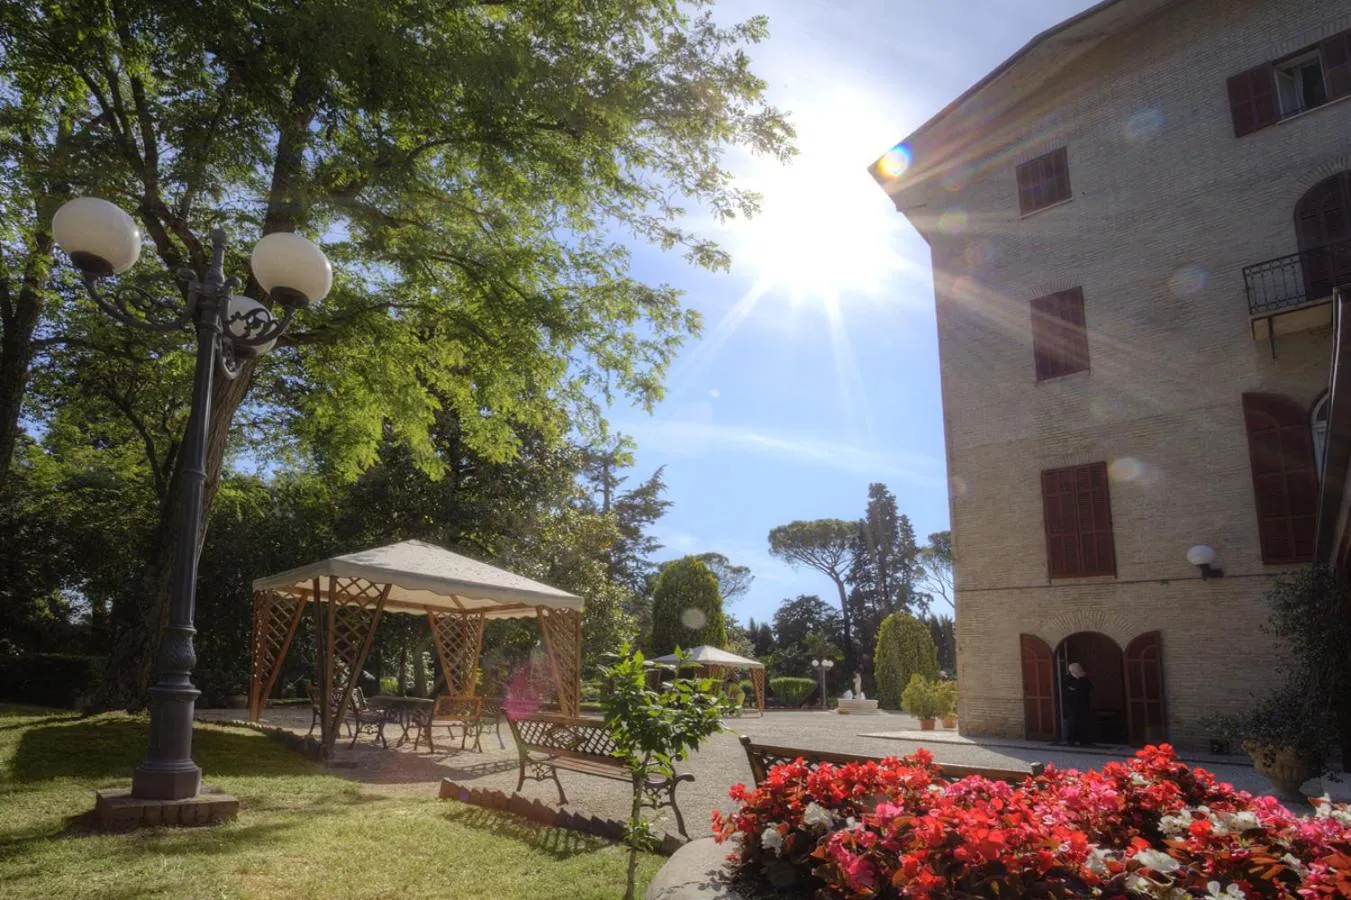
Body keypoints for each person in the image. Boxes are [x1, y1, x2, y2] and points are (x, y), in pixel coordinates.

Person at [1062, 662, 1095, 746]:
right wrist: (1079, 680)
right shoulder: (1068, 678)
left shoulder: (1084, 678)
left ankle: (1084, 740)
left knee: (1084, 722)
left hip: (1083, 704)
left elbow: (1090, 687)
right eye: (1077, 668)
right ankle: (1071, 740)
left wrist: (1082, 678)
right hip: (1072, 705)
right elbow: (1073, 688)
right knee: (1073, 722)